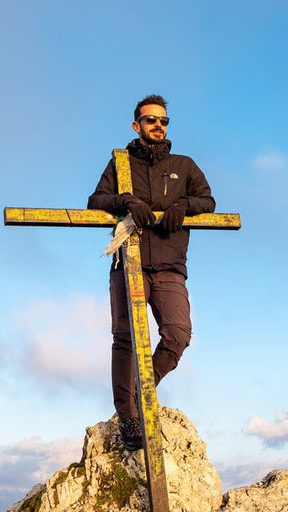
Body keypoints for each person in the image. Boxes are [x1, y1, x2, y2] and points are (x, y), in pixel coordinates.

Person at [87, 94, 216, 451]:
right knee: (125, 337)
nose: (158, 125)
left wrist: (184, 204)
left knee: (178, 334)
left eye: (163, 120)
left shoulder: (183, 165)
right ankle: (128, 416)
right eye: (151, 120)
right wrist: (127, 201)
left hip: (170, 264)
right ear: (136, 125)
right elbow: (96, 201)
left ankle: (140, 392)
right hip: (128, 262)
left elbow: (208, 201)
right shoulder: (121, 164)